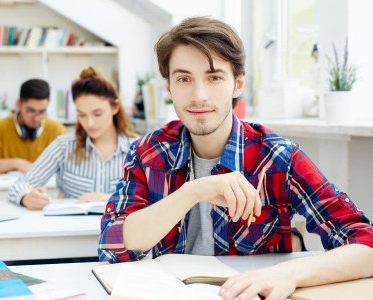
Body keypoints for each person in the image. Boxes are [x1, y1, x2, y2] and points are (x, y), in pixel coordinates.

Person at [98, 17, 373, 300]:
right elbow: (111, 243)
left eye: (214, 77)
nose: (199, 96)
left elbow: (365, 243)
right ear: (169, 88)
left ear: (237, 84)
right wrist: (194, 191)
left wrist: (286, 273)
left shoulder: (278, 157)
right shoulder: (147, 153)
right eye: (184, 79)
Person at [8, 66, 138, 210]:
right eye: (82, 115)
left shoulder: (138, 149)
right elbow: (19, 186)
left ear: (115, 107)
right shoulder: (63, 146)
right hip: (71, 230)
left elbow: (156, 199)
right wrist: (27, 197)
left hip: (120, 231)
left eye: (97, 113)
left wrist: (112, 200)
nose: (89, 123)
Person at [0, 79, 68, 173]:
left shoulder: (57, 130)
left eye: (41, 112)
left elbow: (72, 164)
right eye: (31, 111)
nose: (36, 118)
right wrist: (16, 163)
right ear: (18, 104)